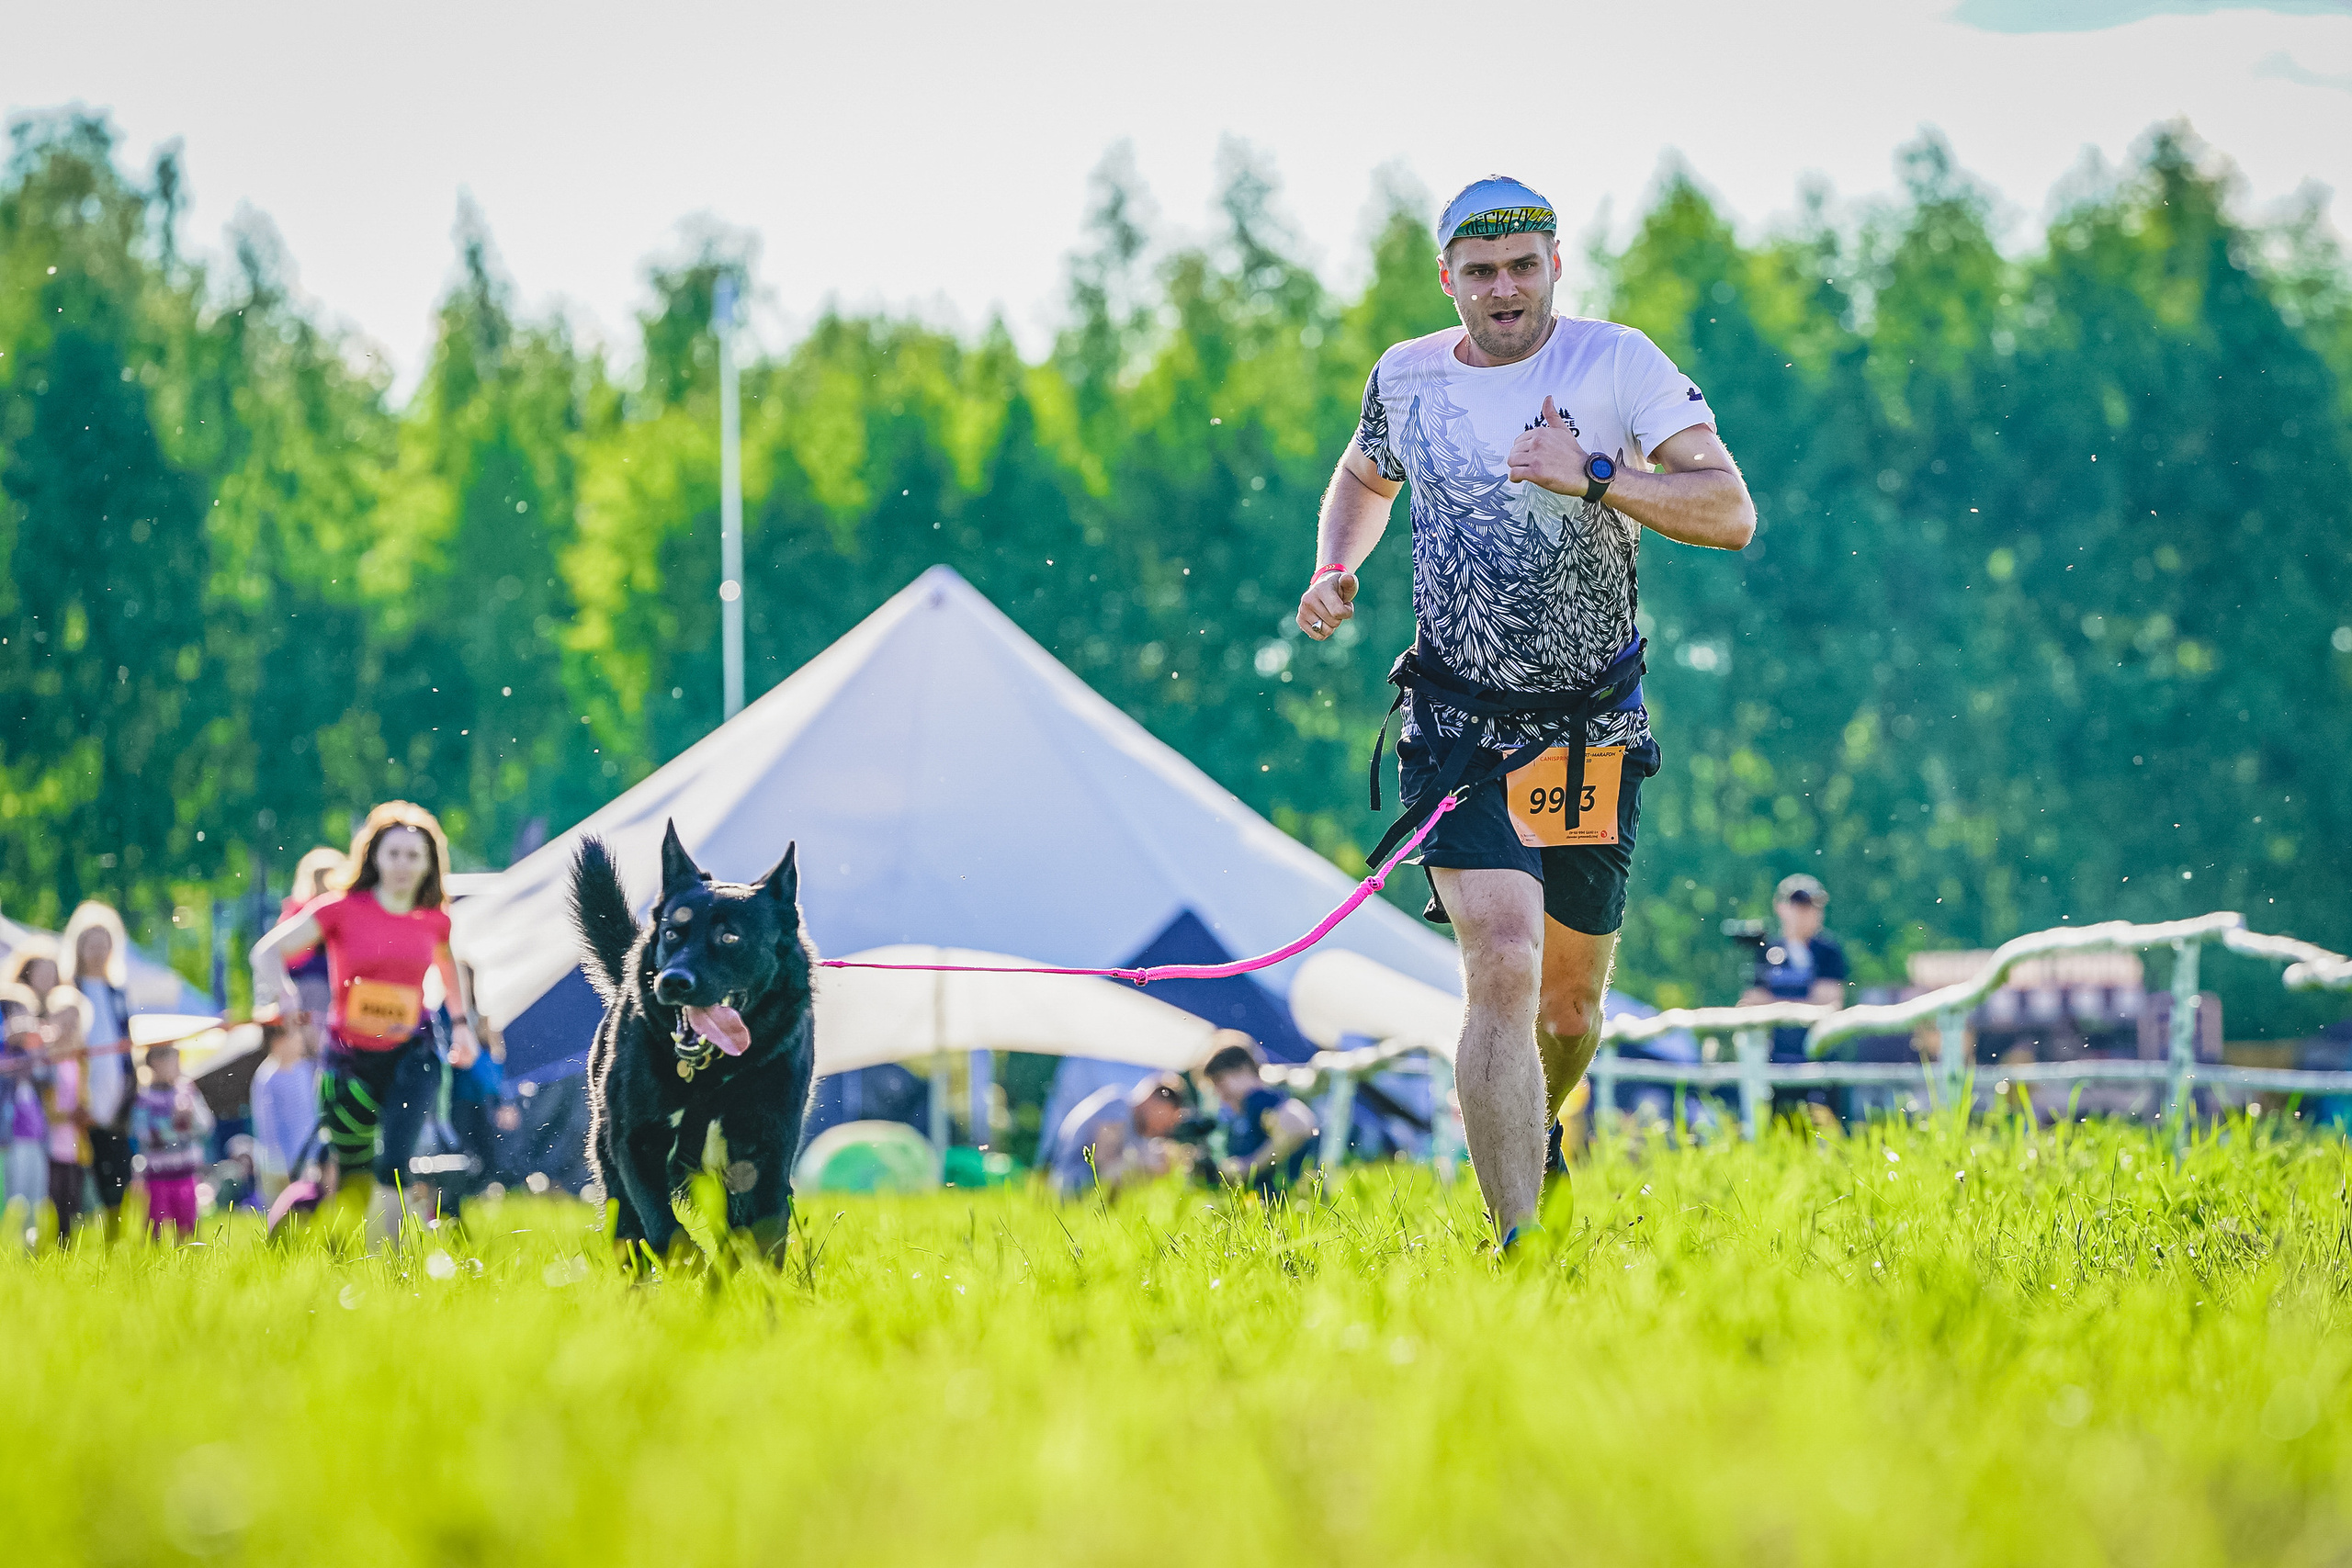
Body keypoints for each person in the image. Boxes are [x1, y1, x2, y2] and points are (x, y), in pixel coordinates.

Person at [1298, 176, 1755, 1251]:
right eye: (1479, 271)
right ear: (1447, 279)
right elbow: (1363, 477)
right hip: (1454, 724)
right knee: (1497, 955)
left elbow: (1729, 512)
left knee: (1566, 1009)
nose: (1502, 289)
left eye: (1522, 267)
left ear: (1556, 265)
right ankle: (1521, 1248)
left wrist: (1593, 474)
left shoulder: (1617, 363)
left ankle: (1535, 1134)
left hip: (1591, 727)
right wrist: (1332, 567)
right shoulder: (1404, 377)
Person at [249, 802, 481, 1230]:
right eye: (393, 853)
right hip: (349, 1062)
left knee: (394, 1162)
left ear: (429, 863)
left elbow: (451, 975)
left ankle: (389, 1266)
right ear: (373, 856)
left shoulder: (435, 922)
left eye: (414, 855)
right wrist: (285, 995)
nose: (402, 865)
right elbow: (265, 953)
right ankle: (343, 1258)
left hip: (414, 1054)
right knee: (351, 1173)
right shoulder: (339, 909)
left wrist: (463, 1027)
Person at [1739, 874, 1850, 1123]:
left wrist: (1773, 1005)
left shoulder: (1828, 952)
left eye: (1813, 906)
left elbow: (1829, 1004)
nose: (1806, 913)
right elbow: (1749, 1003)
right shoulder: (1766, 951)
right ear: (1781, 907)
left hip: (1817, 1060)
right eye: (1799, 905)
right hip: (1773, 1060)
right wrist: (1800, 1003)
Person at [62, 903, 137, 1232]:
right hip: (78, 1105)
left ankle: (114, 1242)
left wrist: (130, 1094)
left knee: (117, 1175)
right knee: (76, 1180)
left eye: (104, 942)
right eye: (90, 942)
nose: (97, 950)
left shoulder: (117, 993)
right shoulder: (68, 992)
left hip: (116, 1103)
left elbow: (125, 1048)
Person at [1201, 1033, 1318, 1194]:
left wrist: (1250, 1166)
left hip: (1291, 1200)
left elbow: (1298, 1124)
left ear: (1243, 1070)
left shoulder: (1261, 1100)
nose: (1219, 1093)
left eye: (1220, 1081)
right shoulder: (1243, 1112)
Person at [1048, 1072, 1193, 1198]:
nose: (1164, 1128)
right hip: (1070, 1189)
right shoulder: (1118, 1106)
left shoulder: (1129, 1119)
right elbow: (1104, 1165)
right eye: (1166, 1120)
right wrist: (1149, 1163)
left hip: (1081, 1191)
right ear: (1153, 1101)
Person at [128, 1043, 214, 1240]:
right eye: (167, 1060)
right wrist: (172, 1124)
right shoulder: (145, 1097)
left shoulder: (187, 1091)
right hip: (157, 1176)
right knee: (155, 1229)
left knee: (188, 1227)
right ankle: (155, 1264)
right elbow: (141, 1132)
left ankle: (188, 1264)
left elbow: (206, 1125)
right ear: (153, 1063)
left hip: (185, 1172)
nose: (174, 1065)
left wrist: (190, 1114)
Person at [246, 1009, 318, 1204]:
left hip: (307, 1157)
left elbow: (313, 1114)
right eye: (294, 1035)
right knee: (279, 1212)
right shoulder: (267, 1078)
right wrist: (284, 1163)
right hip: (277, 1164)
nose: (300, 1039)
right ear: (277, 1042)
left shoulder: (304, 1071)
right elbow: (268, 1127)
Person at [40, 986, 93, 1235]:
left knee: (73, 1199)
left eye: (75, 1020)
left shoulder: (80, 1061)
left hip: (74, 1142)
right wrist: (64, 1115)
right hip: (51, 1141)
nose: (70, 1026)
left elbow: (86, 1097)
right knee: (54, 1199)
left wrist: (84, 1112)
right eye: (65, 1019)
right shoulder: (46, 1060)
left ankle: (67, 1250)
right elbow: (45, 1102)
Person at [278, 847, 349, 1023]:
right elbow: (286, 955)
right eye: (318, 877)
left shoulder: (347, 911)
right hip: (307, 983)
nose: (323, 884)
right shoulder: (301, 912)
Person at [2, 1000, 49, 1223]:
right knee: (15, 1200)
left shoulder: (31, 1057)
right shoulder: (6, 1055)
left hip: (36, 1138)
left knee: (36, 1199)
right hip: (13, 1140)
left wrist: (36, 1046)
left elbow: (45, 1073)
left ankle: (30, 1249)